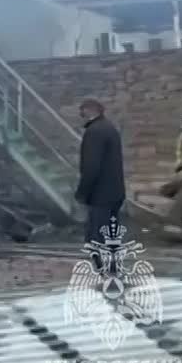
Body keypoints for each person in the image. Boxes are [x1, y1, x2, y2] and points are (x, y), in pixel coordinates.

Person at [75, 98, 126, 255]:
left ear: (90, 110)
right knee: (111, 237)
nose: (81, 114)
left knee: (97, 239)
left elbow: (91, 166)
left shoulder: (94, 132)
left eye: (82, 110)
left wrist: (82, 192)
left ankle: (101, 273)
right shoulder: (110, 128)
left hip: (100, 194)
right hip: (115, 192)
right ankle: (113, 270)